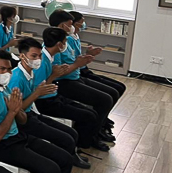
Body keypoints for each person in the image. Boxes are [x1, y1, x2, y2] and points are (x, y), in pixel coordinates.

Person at [11, 38, 89, 169]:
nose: (38, 59)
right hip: (22, 121)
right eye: (34, 56)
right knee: (66, 139)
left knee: (72, 133)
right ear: (22, 56)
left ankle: (70, 159)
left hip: (32, 114)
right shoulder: (16, 79)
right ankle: (66, 163)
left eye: (40, 55)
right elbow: (16, 110)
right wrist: (37, 93)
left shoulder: (29, 72)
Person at [34, 27, 109, 152]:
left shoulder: (50, 57)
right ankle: (81, 146)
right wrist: (55, 75)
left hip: (54, 95)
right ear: (59, 44)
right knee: (87, 116)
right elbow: (39, 90)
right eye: (64, 42)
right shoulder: (43, 61)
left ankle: (83, 142)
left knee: (91, 113)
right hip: (46, 102)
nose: (66, 45)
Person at [49, 10, 116, 145]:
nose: (73, 27)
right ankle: (89, 138)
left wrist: (85, 58)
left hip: (75, 76)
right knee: (104, 100)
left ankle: (97, 129)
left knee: (111, 93)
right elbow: (57, 73)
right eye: (70, 24)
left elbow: (74, 60)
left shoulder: (67, 40)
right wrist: (77, 64)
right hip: (64, 82)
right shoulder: (55, 44)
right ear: (62, 26)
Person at [70, 11, 124, 126]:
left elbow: (77, 58)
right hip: (77, 74)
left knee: (119, 88)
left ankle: (103, 117)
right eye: (81, 22)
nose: (83, 24)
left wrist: (89, 54)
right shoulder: (67, 39)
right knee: (109, 95)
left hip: (83, 70)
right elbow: (72, 62)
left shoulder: (76, 36)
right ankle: (99, 123)